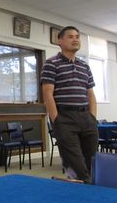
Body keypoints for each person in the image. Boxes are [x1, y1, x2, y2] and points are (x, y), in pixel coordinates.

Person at [41, 26, 98, 183]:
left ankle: (86, 191)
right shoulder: (51, 63)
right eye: (71, 36)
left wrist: (92, 118)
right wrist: (57, 120)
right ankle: (86, 192)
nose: (76, 39)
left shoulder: (84, 66)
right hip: (65, 118)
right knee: (76, 165)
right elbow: (47, 94)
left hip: (86, 118)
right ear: (60, 41)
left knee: (92, 162)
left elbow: (91, 95)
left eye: (77, 37)